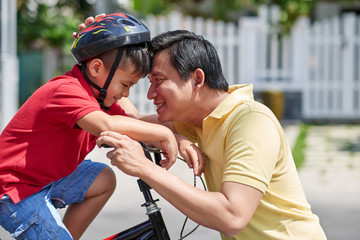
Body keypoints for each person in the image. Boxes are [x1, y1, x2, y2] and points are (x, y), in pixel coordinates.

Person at [95, 29, 327, 239]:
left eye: (159, 81)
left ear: (197, 79)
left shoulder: (251, 121)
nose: (150, 94)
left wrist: (145, 168)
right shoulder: (197, 121)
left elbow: (232, 216)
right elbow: (129, 124)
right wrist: (103, 55)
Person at [0, 13, 179, 240]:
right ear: (95, 68)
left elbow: (135, 123)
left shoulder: (97, 97)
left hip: (46, 178)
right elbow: (107, 125)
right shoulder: (66, 91)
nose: (126, 94)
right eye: (125, 84)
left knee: (102, 179)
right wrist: (164, 134)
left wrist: (182, 132)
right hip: (16, 189)